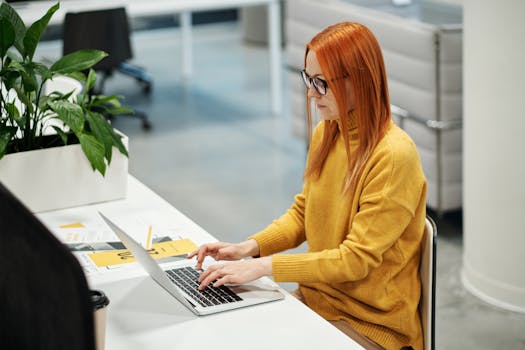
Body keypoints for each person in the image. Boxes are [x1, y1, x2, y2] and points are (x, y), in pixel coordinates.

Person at [188, 22, 427, 350]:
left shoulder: (394, 156)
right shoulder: (328, 132)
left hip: (372, 323)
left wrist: (262, 267)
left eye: (321, 83)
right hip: (318, 301)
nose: (311, 93)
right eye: (307, 77)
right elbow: (305, 212)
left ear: (359, 80)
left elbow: (355, 260)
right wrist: (249, 247)